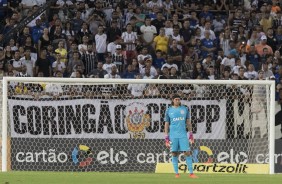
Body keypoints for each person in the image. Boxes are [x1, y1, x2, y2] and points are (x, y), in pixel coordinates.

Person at [164, 94, 198, 179]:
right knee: (174, 153)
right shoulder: (169, 110)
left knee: (187, 152)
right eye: (176, 99)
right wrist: (166, 136)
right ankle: (176, 173)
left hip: (183, 135)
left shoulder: (185, 109)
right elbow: (166, 123)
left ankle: (191, 173)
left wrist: (190, 133)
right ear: (172, 100)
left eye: (179, 99)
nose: (178, 101)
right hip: (173, 135)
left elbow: (188, 122)